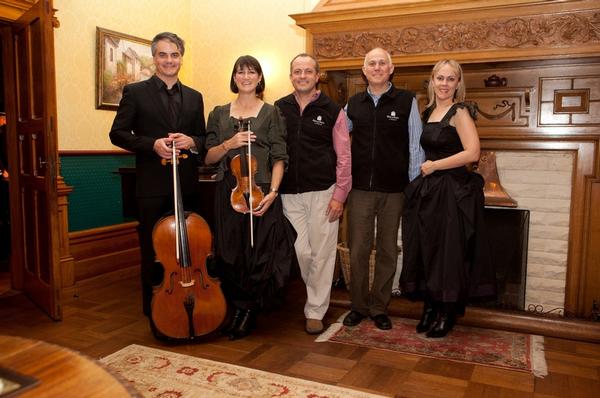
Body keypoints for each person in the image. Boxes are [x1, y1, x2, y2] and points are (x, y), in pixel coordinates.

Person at [109, 32, 206, 318]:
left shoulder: (194, 97)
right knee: (153, 250)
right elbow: (117, 133)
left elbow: (202, 136)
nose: (169, 60)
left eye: (174, 54)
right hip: (151, 185)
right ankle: (154, 309)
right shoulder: (135, 92)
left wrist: (193, 142)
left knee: (187, 247)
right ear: (154, 58)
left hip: (186, 184)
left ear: (181, 58)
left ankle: (186, 299)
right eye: (163, 54)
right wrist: (151, 144)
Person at [400, 59, 496, 338]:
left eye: (450, 79)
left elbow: (473, 153)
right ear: (432, 81)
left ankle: (447, 312)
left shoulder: (460, 112)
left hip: (453, 191)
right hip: (430, 191)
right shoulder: (428, 110)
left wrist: (435, 166)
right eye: (439, 78)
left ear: (457, 83)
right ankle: (430, 306)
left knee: (449, 253)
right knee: (429, 250)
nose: (444, 84)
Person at [204, 55, 296, 340]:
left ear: (259, 78)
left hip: (262, 190)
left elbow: (280, 157)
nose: (246, 76)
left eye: (251, 72)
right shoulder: (219, 113)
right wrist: (228, 143)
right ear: (234, 78)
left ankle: (248, 310)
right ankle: (235, 309)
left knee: (258, 253)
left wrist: (273, 193)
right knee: (230, 253)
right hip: (229, 191)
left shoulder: (271, 113)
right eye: (240, 72)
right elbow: (208, 156)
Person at [343, 47, 425, 331]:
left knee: (388, 250)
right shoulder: (353, 103)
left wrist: (414, 185)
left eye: (382, 63)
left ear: (391, 69)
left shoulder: (406, 101)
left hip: (394, 190)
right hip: (360, 189)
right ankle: (358, 306)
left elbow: (415, 145)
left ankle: (379, 307)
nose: (377, 67)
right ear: (364, 70)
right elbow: (339, 140)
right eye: (371, 64)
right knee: (358, 250)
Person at [275, 54, 351, 335]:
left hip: (324, 192)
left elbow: (344, 156)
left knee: (322, 253)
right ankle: (315, 292)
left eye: (308, 71)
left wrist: (340, 195)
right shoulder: (279, 108)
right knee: (302, 252)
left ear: (317, 75)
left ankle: (315, 309)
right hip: (288, 194)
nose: (302, 75)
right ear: (291, 75)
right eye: (297, 71)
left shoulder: (333, 110)